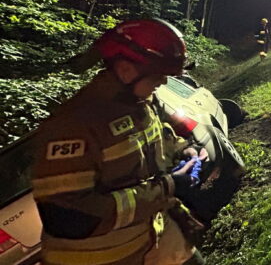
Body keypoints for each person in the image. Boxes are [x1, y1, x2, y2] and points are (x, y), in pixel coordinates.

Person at [30, 19, 205, 265]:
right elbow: (69, 218)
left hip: (154, 239)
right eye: (158, 75)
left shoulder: (138, 103)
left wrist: (185, 150)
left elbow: (154, 141)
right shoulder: (74, 125)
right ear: (126, 70)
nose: (163, 82)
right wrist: (168, 187)